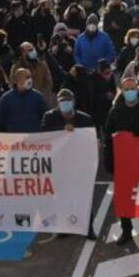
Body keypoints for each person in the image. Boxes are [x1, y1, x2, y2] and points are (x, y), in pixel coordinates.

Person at [104, 75, 139, 247]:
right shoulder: (115, 112)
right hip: (124, 165)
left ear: (138, 89)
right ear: (122, 91)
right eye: (126, 89)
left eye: (132, 88)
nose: (129, 92)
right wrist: (110, 162)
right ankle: (126, 230)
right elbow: (108, 138)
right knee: (125, 199)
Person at [41, 88, 98, 240]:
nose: (65, 104)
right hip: (59, 164)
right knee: (61, 197)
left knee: (83, 197)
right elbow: (44, 136)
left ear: (73, 102)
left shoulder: (85, 119)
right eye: (61, 101)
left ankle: (88, 227)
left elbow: (91, 139)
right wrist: (61, 130)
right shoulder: (49, 117)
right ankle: (64, 227)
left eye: (68, 101)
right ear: (57, 103)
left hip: (79, 164)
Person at [0, 67, 47, 132]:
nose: (30, 80)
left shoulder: (38, 97)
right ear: (17, 79)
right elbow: (1, 118)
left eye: (30, 77)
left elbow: (43, 116)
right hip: (14, 137)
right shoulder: (6, 98)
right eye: (27, 77)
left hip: (33, 137)